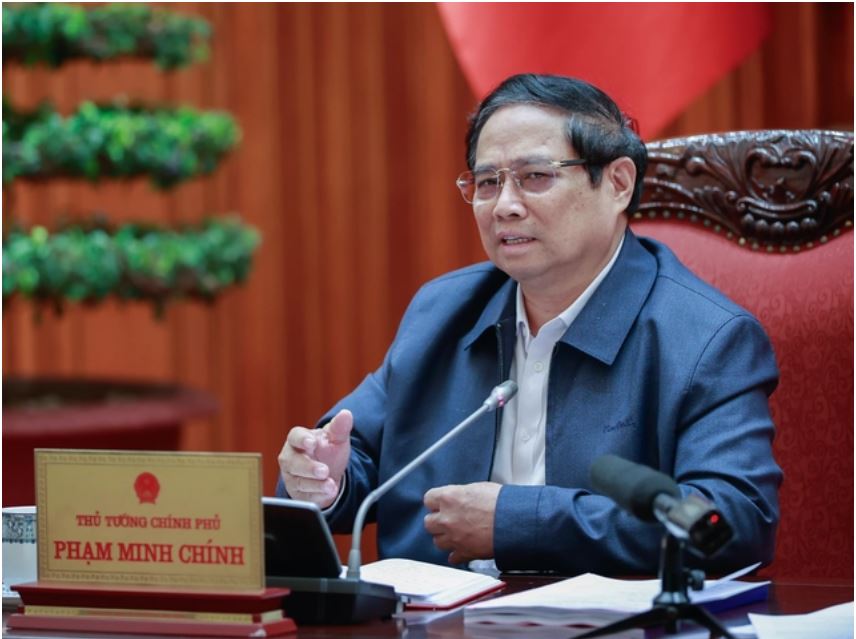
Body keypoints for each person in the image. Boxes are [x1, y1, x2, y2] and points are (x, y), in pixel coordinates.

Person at [277, 73, 781, 575]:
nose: (504, 206)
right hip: (433, 615)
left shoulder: (707, 339)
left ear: (618, 183)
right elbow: (355, 453)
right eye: (487, 182)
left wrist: (518, 521)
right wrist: (322, 477)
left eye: (535, 176)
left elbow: (733, 522)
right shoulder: (442, 311)